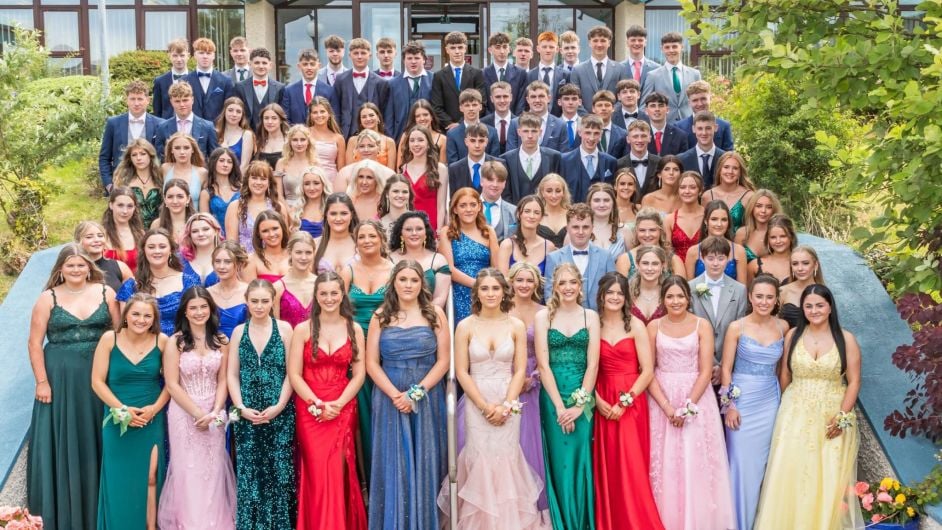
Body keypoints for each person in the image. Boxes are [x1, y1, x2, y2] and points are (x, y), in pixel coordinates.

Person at [439, 268, 546, 528]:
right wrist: (486, 406)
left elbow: (520, 369)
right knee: (479, 458)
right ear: (477, 292)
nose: (490, 293)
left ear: (503, 291)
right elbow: (462, 371)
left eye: (495, 288)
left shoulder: (515, 325)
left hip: (508, 399)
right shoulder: (465, 326)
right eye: (484, 288)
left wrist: (507, 405)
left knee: (507, 459)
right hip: (478, 400)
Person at [753, 285, 865, 529]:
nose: (814, 310)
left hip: (832, 415)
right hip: (795, 412)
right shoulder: (793, 335)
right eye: (809, 306)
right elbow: (784, 374)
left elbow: (854, 381)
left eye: (819, 305)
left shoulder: (846, 339)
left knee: (826, 475)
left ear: (830, 307)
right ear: (802, 309)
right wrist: (786, 408)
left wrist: (843, 416)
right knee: (790, 471)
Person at [26, 245, 119, 530]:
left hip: (100, 378)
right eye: (70, 266)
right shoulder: (48, 298)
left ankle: (101, 512)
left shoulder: (107, 293)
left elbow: (120, 333)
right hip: (61, 381)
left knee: (100, 439)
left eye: (81, 265)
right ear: (60, 269)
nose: (76, 270)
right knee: (66, 440)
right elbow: (34, 342)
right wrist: (42, 381)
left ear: (89, 266)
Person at [645, 276, 735, 530]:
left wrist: (686, 408)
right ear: (663, 299)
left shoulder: (701, 325)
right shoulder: (653, 327)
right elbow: (648, 370)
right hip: (662, 395)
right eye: (670, 296)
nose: (675, 301)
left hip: (696, 397)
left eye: (680, 296)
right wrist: (667, 407)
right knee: (666, 461)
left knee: (696, 460)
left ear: (688, 298)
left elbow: (706, 371)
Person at [366, 260, 449, 529]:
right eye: (403, 280)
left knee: (425, 457)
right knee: (394, 460)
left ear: (421, 284)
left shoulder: (435, 313)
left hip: (425, 395)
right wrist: (395, 395)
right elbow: (371, 363)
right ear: (394, 283)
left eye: (413, 280)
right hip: (389, 396)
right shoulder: (380, 316)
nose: (408, 285)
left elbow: (443, 361)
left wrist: (416, 393)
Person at [288, 271, 367, 530]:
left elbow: (359, 375)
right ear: (316, 296)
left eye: (334, 293)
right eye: (323, 293)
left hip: (342, 406)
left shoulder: (354, 328)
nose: (329, 298)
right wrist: (315, 403)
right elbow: (295, 375)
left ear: (342, 294)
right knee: (316, 470)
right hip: (310, 408)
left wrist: (339, 404)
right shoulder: (302, 329)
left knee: (337, 470)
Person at [158, 286, 236, 529]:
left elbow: (223, 379)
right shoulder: (176, 342)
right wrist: (197, 413)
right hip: (184, 413)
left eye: (203, 306)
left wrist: (215, 411)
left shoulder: (222, 340)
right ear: (185, 312)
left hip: (214, 412)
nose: (199, 312)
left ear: (211, 309)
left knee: (213, 472)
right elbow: (172, 384)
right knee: (188, 472)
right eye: (193, 308)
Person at [91, 293, 170, 530]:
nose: (141, 319)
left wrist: (154, 409)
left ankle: (150, 527)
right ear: (126, 316)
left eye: (147, 315)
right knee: (119, 480)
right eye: (136, 313)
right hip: (117, 419)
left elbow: (171, 383)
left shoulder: (162, 341)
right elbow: (96, 381)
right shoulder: (109, 339)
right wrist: (122, 409)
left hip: (150, 418)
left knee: (151, 477)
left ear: (154, 319)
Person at [592, 272, 664, 530]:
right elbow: (586, 368)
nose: (614, 297)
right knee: (607, 465)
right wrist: (596, 400)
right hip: (601, 394)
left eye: (619, 293)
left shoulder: (635, 325)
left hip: (630, 401)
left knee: (631, 464)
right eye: (609, 292)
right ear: (600, 295)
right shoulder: (592, 324)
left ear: (626, 297)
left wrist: (625, 402)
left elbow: (647, 370)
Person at [534, 263, 601, 530]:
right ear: (555, 287)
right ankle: (561, 523)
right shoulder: (543, 318)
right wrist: (561, 408)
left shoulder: (590, 317)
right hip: (553, 397)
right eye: (562, 283)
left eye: (573, 282)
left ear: (580, 286)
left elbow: (593, 364)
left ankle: (581, 522)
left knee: (580, 457)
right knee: (559, 461)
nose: (568, 288)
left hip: (582, 396)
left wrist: (579, 404)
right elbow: (542, 365)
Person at [721, 274, 788, 530]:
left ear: (776, 300)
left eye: (769, 297)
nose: (764, 301)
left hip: (769, 400)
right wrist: (730, 406)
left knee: (762, 465)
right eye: (759, 296)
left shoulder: (783, 328)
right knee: (739, 463)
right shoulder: (737, 327)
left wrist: (783, 403)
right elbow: (726, 369)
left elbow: (783, 371)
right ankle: (734, 523)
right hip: (742, 399)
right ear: (750, 297)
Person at [227, 279, 296, 529]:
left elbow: (292, 372)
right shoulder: (238, 332)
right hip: (246, 413)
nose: (259, 306)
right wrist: (240, 407)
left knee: (278, 471)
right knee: (249, 471)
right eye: (254, 301)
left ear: (272, 301)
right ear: (246, 301)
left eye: (264, 301)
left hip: (279, 410)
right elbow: (232, 374)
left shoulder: (285, 329)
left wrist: (279, 405)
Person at [340, 220, 394, 488]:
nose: (367, 240)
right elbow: (336, 308)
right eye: (362, 236)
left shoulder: (394, 270)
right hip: (355, 349)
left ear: (381, 238)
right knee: (361, 415)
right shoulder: (348, 270)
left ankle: (388, 476)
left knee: (384, 411)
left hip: (386, 347)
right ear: (356, 240)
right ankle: (366, 482)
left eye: (372, 235)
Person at [506, 262, 548, 511]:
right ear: (511, 281)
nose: (524, 285)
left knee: (529, 443)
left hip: (534, 380)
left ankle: (531, 506)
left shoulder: (544, 311)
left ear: (536, 284)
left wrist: (533, 377)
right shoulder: (500, 307)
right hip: (505, 376)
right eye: (519, 280)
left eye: (529, 281)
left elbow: (549, 351)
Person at [117, 228, 202, 335]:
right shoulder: (130, 286)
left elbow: (198, 319)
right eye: (151, 247)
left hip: (181, 345)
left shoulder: (189, 282)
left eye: (162, 247)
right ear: (144, 251)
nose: (157, 251)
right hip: (142, 347)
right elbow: (124, 326)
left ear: (171, 250)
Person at [688, 236, 749, 372]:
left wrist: (723, 366)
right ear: (702, 259)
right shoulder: (690, 288)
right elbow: (690, 328)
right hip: (697, 363)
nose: (715, 263)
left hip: (727, 363)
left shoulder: (739, 290)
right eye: (710, 258)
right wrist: (708, 364)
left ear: (728, 259)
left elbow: (740, 328)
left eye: (721, 259)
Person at [440, 188, 499, 323]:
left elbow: (496, 267)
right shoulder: (447, 232)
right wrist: (476, 284)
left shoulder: (488, 231)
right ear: (454, 209)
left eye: (473, 204)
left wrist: (486, 287)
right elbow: (449, 269)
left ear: (479, 206)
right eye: (463, 205)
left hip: (486, 292)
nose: (468, 209)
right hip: (459, 292)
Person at [543, 203, 617, 310]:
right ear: (567, 228)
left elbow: (612, 289)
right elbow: (549, 294)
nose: (581, 232)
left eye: (585, 227)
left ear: (592, 228)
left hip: (599, 319)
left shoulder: (605, 257)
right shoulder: (554, 258)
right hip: (565, 320)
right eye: (575, 227)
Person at [99, 81, 163, 193]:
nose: (136, 103)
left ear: (148, 100)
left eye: (140, 99)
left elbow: (163, 156)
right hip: (121, 183)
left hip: (151, 184)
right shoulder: (113, 123)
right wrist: (109, 185)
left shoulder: (160, 124)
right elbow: (104, 157)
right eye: (132, 99)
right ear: (126, 100)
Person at [389, 211, 452, 309]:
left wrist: (419, 316)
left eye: (419, 229)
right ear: (401, 233)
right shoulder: (389, 259)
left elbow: (440, 298)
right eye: (409, 229)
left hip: (429, 318)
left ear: (426, 232)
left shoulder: (438, 260)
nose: (414, 233)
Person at [225, 160, 287, 253]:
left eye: (263, 179)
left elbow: (284, 241)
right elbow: (232, 244)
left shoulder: (278, 207)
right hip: (244, 261)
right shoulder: (235, 207)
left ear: (269, 182)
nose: (258, 182)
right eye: (254, 178)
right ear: (247, 180)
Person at [334, 38, 391, 139]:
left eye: (363, 53)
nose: (359, 57)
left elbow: (384, 113)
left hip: (374, 137)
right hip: (346, 135)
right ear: (349, 55)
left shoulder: (381, 82)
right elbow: (336, 110)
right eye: (356, 53)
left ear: (370, 55)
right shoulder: (340, 80)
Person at [501, 112, 563, 203]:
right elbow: (505, 193)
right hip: (515, 212)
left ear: (540, 132)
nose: (530, 136)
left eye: (534, 131)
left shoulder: (554, 157)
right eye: (526, 131)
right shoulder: (506, 159)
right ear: (519, 132)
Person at [641, 32, 702, 123]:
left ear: (682, 47)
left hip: (690, 125)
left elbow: (701, 102)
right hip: (664, 126)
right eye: (667, 47)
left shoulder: (695, 74)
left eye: (674, 46)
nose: (671, 50)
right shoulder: (653, 76)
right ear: (662, 49)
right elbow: (643, 106)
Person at [430, 31, 486, 130]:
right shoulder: (438, 76)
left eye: (460, 47)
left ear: (465, 48)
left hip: (472, 128)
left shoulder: (477, 74)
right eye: (453, 48)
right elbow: (436, 107)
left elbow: (482, 103)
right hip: (447, 129)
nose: (457, 51)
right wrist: (451, 124)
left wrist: (461, 123)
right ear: (446, 50)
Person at [685, 200, 748, 284]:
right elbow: (689, 289)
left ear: (728, 222)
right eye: (714, 219)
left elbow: (742, 291)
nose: (719, 224)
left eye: (724, 220)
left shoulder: (739, 251)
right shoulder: (693, 252)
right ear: (706, 221)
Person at [154, 81, 220, 161]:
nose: (182, 105)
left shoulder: (207, 127)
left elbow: (214, 158)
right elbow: (160, 158)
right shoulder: (162, 127)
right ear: (171, 102)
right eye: (177, 101)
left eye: (185, 100)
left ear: (192, 100)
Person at [559, 114, 617, 203]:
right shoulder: (564, 160)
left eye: (596, 133)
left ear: (601, 134)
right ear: (579, 132)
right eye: (588, 132)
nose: (591, 138)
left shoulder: (610, 161)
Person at [400, 125, 449, 230]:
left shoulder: (440, 169)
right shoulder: (403, 169)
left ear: (428, 144)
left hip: (431, 226)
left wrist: (439, 232)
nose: (416, 144)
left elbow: (441, 206)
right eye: (412, 140)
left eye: (420, 140)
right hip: (408, 227)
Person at [385, 41, 433, 143]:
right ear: (404, 60)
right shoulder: (392, 84)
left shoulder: (434, 80)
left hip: (429, 140)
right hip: (401, 139)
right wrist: (393, 140)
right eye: (409, 58)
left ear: (424, 59)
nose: (413, 62)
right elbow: (389, 116)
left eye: (417, 58)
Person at [497, 195, 556, 276]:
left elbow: (550, 282)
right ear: (518, 214)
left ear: (541, 217)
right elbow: (503, 282)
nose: (531, 216)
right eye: (527, 211)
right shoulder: (507, 245)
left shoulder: (549, 247)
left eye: (536, 212)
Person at [112, 138, 163, 228]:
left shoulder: (161, 178)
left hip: (157, 230)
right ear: (130, 158)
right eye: (134, 155)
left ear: (150, 156)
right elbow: (115, 208)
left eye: (143, 154)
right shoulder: (122, 180)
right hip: (131, 228)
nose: (138, 158)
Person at [569, 25, 628, 103]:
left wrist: (613, 113)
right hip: (585, 115)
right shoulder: (577, 70)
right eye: (595, 41)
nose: (599, 45)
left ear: (609, 43)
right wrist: (587, 115)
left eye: (603, 41)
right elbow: (574, 99)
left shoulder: (620, 69)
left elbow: (623, 98)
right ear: (590, 43)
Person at [282, 48, 341, 125]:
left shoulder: (330, 91)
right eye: (305, 64)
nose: (309, 68)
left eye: (312, 64)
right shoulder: (289, 91)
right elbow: (285, 119)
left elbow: (334, 118)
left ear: (319, 66)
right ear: (299, 66)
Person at [700, 151, 755, 233]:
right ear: (719, 170)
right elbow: (703, 229)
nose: (730, 171)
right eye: (726, 167)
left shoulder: (749, 196)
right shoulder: (707, 196)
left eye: (735, 168)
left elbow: (754, 228)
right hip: (713, 244)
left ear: (740, 172)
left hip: (740, 244)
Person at [505, 81, 568, 153]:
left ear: (549, 98)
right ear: (527, 100)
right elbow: (511, 155)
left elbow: (563, 156)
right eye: (533, 97)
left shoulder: (560, 125)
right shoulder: (515, 123)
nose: (537, 100)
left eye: (541, 96)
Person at [673, 80, 735, 152]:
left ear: (710, 99)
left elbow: (728, 155)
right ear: (689, 102)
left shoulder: (724, 126)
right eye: (695, 100)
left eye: (703, 99)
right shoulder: (679, 127)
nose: (700, 104)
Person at [234, 47, 286, 131]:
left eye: (264, 63)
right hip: (247, 134)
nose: (261, 66)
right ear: (250, 64)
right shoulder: (240, 87)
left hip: (272, 135)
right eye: (257, 63)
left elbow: (282, 115)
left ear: (270, 65)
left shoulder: (280, 88)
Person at [273, 232, 318, 328]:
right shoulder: (278, 287)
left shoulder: (320, 284)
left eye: (308, 252)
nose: (303, 257)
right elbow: (276, 328)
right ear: (290, 253)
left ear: (314, 253)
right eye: (298, 252)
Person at [75, 220, 134, 293]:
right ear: (78, 241)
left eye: (100, 236)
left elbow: (132, 298)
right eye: (89, 237)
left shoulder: (121, 267)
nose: (97, 240)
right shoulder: (73, 269)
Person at [444, 89, 501, 164]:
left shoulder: (492, 132)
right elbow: (452, 164)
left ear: (480, 107)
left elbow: (495, 161)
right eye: (467, 105)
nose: (471, 109)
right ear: (461, 108)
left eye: (474, 105)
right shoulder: (452, 134)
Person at [186, 37, 235, 122]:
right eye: (201, 53)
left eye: (208, 53)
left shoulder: (225, 81)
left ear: (214, 56)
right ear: (194, 55)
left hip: (218, 130)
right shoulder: (184, 81)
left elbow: (229, 108)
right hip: (192, 130)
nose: (205, 56)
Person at [206, 241, 249, 338]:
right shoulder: (207, 293)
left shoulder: (249, 292)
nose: (221, 266)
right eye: (217, 261)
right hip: (213, 348)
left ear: (239, 264)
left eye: (227, 262)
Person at [628, 207, 687, 277]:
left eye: (652, 230)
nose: (647, 235)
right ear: (636, 231)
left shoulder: (674, 260)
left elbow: (681, 286)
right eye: (642, 230)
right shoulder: (626, 259)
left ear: (661, 231)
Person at [447, 123, 502, 195]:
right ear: (466, 142)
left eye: (481, 141)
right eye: (473, 141)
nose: (477, 145)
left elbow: (505, 197)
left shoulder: (500, 165)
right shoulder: (455, 169)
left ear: (486, 142)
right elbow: (453, 200)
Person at [779, 245, 825, 328]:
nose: (800, 268)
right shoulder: (782, 291)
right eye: (795, 264)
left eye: (805, 263)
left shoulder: (824, 293)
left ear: (815, 265)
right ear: (791, 267)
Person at [676, 111, 727, 188]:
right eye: (700, 128)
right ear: (693, 129)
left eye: (708, 128)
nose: (704, 133)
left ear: (716, 128)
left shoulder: (725, 158)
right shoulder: (681, 159)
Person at [274, 125, 319, 211]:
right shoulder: (281, 163)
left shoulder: (315, 163)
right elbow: (278, 194)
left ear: (308, 142)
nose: (299, 144)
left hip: (310, 207)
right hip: (287, 208)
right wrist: (288, 211)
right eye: (295, 140)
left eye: (302, 140)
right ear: (290, 142)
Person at [664, 171, 705, 264]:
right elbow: (667, 252)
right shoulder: (669, 219)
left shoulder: (708, 216)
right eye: (682, 187)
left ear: (700, 190)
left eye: (692, 187)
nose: (687, 191)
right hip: (677, 270)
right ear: (678, 190)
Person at [200, 147, 242, 235]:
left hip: (241, 236)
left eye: (229, 162)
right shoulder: (206, 193)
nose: (225, 164)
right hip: (218, 238)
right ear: (214, 162)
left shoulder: (241, 189)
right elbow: (204, 222)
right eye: (221, 160)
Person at [483, 32, 527, 115]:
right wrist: (491, 120)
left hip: (514, 122)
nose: (502, 51)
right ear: (490, 50)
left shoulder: (521, 73)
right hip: (489, 123)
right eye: (497, 47)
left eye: (504, 47)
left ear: (509, 49)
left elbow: (521, 102)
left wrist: (514, 120)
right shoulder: (483, 74)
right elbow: (483, 102)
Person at [313, 193, 359, 273]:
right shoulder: (314, 244)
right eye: (333, 214)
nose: (338, 218)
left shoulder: (361, 243)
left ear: (351, 215)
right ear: (326, 215)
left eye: (344, 213)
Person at [102, 187, 146, 271]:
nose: (125, 211)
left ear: (134, 208)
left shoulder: (140, 234)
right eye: (120, 205)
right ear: (111, 205)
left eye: (129, 206)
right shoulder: (101, 234)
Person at [394, 100, 448, 168]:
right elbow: (400, 167)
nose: (422, 118)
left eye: (425, 115)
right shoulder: (406, 136)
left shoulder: (442, 139)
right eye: (418, 116)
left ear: (432, 117)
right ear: (414, 119)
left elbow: (442, 167)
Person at [528, 31, 571, 117]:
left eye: (551, 47)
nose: (548, 50)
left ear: (557, 49)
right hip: (534, 121)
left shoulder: (565, 75)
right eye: (544, 47)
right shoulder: (529, 75)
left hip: (558, 120)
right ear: (538, 49)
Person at [734, 189, 783, 262]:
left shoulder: (780, 234)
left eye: (769, 207)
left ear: (774, 210)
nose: (763, 210)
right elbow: (735, 264)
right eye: (759, 206)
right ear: (752, 208)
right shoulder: (741, 233)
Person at [243, 210, 291, 283]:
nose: (271, 234)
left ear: (282, 228)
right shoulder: (251, 260)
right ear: (259, 234)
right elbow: (250, 292)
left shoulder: (294, 256)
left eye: (275, 228)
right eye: (265, 231)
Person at [346, 103, 398, 170]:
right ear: (360, 121)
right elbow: (348, 169)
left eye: (371, 115)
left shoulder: (389, 142)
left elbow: (391, 172)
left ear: (378, 117)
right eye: (364, 117)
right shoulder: (352, 141)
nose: (368, 119)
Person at [748, 213, 797, 284]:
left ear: (791, 236)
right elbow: (747, 293)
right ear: (767, 239)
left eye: (783, 236)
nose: (778, 241)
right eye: (773, 237)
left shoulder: (801, 263)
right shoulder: (754, 265)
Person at [160, 132, 208, 206]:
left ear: (193, 150)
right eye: (177, 148)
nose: (182, 152)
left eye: (186, 148)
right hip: (168, 216)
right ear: (171, 150)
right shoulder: (165, 168)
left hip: (193, 216)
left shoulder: (202, 173)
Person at [307, 96, 346, 183]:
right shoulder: (305, 134)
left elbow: (341, 169)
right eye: (315, 112)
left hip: (332, 180)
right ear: (311, 116)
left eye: (322, 111)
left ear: (329, 114)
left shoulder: (339, 138)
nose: (319, 115)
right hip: (310, 180)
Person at [178, 212, 222, 284]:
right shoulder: (179, 260)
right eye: (195, 231)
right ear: (189, 235)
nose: (201, 234)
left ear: (216, 231)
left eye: (206, 229)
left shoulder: (228, 256)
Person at [629, 246, 669, 325]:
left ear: (662, 265)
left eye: (655, 264)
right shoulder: (626, 292)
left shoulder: (669, 292)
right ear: (637, 265)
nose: (650, 268)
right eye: (645, 263)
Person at [586, 182, 627, 260]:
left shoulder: (624, 231)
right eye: (597, 200)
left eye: (606, 200)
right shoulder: (578, 231)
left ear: (613, 203)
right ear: (589, 203)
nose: (602, 205)